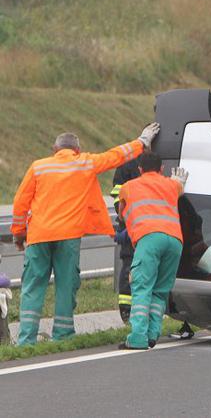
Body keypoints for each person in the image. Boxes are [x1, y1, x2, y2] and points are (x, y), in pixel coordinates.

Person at [11, 124, 160, 345]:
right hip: (68, 236)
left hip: (39, 235)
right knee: (65, 285)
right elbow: (115, 156)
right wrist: (142, 141)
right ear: (77, 150)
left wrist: (19, 233)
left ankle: (26, 340)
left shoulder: (38, 167)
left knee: (32, 287)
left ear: (55, 149)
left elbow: (20, 203)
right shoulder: (85, 163)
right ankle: (62, 336)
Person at [116, 152, 188, 350]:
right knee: (160, 291)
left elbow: (122, 215)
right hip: (174, 240)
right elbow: (179, 186)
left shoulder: (128, 187)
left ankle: (138, 337)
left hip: (148, 238)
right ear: (161, 169)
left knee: (141, 287)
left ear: (139, 169)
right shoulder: (171, 185)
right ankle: (152, 335)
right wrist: (177, 182)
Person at [111, 158, 141, 323]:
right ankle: (126, 309)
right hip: (132, 225)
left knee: (133, 266)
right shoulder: (129, 163)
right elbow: (117, 195)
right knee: (129, 265)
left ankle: (131, 311)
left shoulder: (153, 160)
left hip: (138, 224)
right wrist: (126, 218)